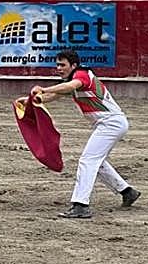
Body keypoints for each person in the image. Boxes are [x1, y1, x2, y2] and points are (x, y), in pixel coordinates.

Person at [27, 49, 140, 219]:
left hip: (110, 123)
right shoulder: (74, 78)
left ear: (73, 65)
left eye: (62, 65)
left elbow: (69, 87)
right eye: (57, 65)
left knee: (88, 160)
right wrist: (33, 100)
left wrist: (43, 88)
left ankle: (81, 205)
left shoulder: (82, 74)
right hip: (110, 123)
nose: (59, 68)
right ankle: (127, 191)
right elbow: (57, 94)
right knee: (97, 161)